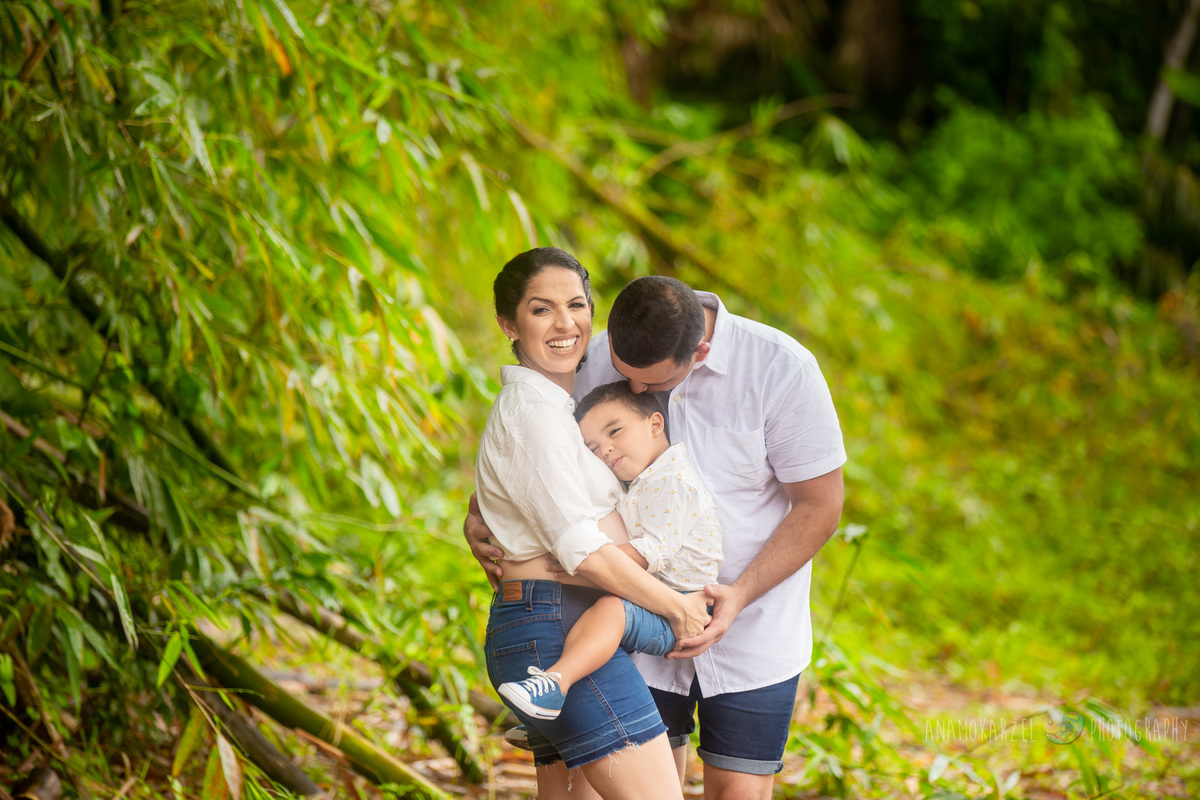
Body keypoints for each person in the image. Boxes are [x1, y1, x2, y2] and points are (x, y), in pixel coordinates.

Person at [467, 275, 845, 800]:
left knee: (736, 792)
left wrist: (740, 593)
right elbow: (536, 446)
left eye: (651, 383)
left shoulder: (781, 369)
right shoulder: (594, 357)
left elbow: (820, 505)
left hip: (753, 626)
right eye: (626, 377)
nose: (638, 392)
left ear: (702, 350)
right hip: (628, 620)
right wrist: (480, 509)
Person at [475, 249, 712, 800]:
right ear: (509, 324)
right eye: (541, 309)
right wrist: (677, 607)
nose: (565, 323)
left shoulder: (558, 413)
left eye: (576, 305)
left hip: (560, 622)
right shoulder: (532, 411)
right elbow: (579, 548)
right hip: (554, 623)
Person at [497, 381, 723, 721]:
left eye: (615, 431)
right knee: (596, 618)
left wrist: (589, 562)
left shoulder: (673, 481)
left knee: (611, 609)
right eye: (593, 447)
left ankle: (555, 685)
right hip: (654, 598)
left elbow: (650, 552)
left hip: (678, 607)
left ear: (655, 424)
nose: (604, 449)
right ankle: (549, 722)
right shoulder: (643, 480)